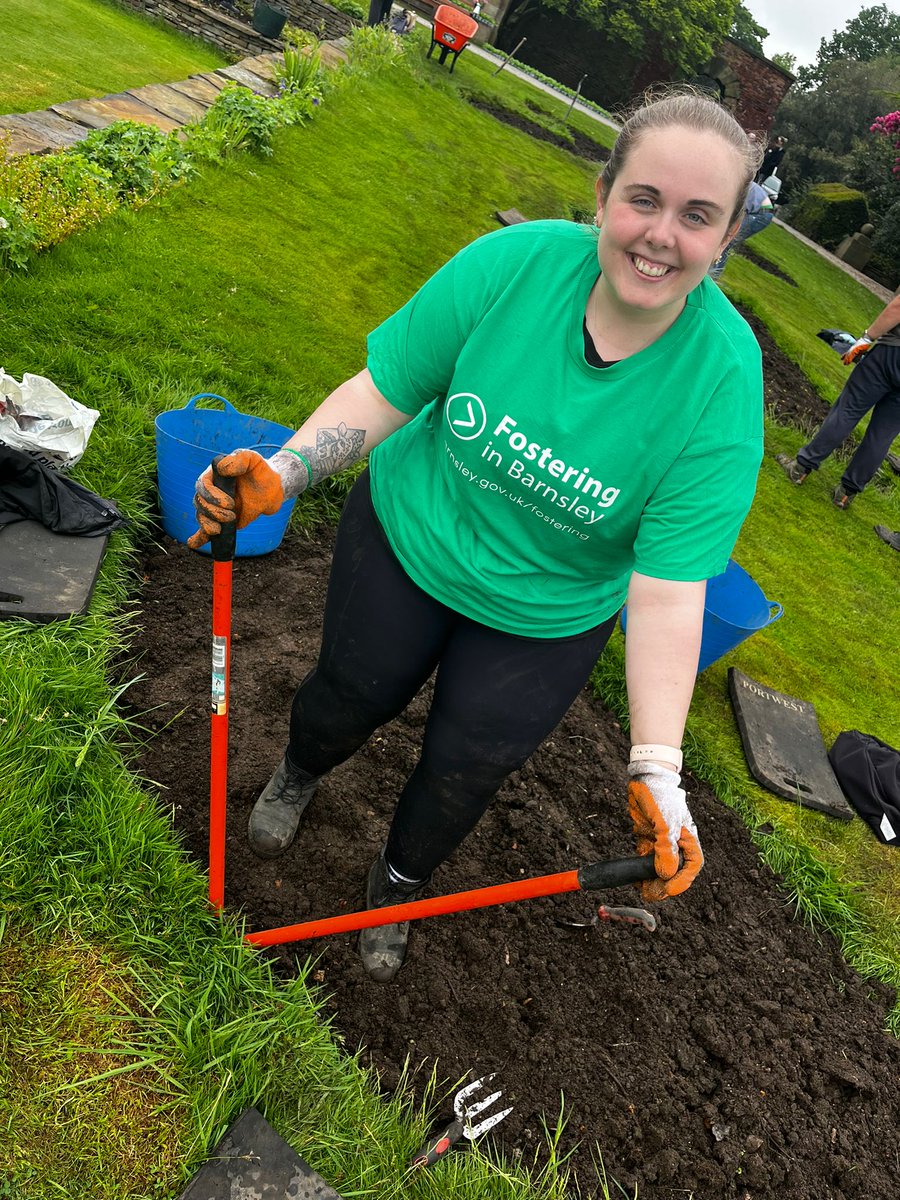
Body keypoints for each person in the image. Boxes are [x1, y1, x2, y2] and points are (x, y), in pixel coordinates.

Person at [190, 88, 765, 983]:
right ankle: (299, 770)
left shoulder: (722, 381)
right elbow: (387, 390)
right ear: (604, 195)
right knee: (348, 695)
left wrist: (658, 767)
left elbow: (667, 589)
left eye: (697, 216)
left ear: (725, 238)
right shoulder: (513, 266)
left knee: (466, 767)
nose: (661, 235)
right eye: (644, 199)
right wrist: (289, 469)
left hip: (548, 610)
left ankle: (396, 886)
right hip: (414, 534)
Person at [776, 292, 900, 508]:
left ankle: (801, 468)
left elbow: (898, 306)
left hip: (892, 353)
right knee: (882, 434)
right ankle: (845, 494)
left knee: (848, 410)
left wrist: (867, 338)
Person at [709, 179, 774, 280]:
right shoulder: (740, 182)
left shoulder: (738, 188)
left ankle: (712, 277)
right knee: (726, 241)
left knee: (726, 241)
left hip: (760, 214)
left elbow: (736, 212)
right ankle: (713, 274)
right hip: (763, 212)